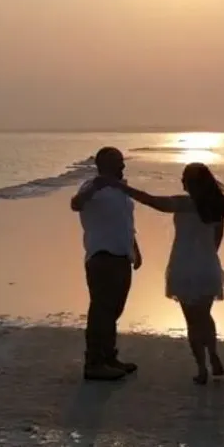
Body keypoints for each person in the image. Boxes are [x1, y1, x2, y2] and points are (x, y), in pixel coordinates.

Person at [110, 163, 224, 385]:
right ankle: (214, 355)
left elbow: (152, 201)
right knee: (205, 316)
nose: (181, 181)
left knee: (192, 321)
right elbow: (216, 242)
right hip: (208, 266)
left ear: (191, 183)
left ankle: (201, 368)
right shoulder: (218, 208)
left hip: (184, 266)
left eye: (184, 178)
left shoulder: (183, 203)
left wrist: (122, 188)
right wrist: (205, 258)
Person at [71, 147, 142, 381]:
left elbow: (126, 222)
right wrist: (94, 187)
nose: (123, 166)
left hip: (122, 255)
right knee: (101, 310)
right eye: (118, 163)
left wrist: (135, 248)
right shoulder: (92, 188)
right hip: (102, 256)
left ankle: (109, 356)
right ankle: (94, 362)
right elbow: (76, 204)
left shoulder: (121, 190)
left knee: (114, 310)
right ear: (106, 165)